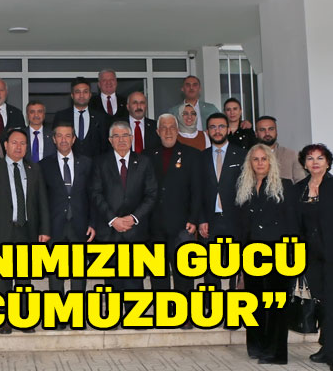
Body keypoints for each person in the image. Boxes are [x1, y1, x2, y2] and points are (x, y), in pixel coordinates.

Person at [0, 128, 50, 334]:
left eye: (22, 143)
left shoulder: (34, 169)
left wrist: (44, 229)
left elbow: (42, 202)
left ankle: (23, 318)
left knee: (24, 278)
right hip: (2, 231)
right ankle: (4, 320)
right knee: (2, 278)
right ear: (6, 145)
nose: (18, 147)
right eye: (14, 143)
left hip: (27, 231)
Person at [296, 144, 333, 371]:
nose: (315, 162)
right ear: (304, 163)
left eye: (320, 158)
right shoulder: (299, 189)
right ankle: (326, 347)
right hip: (311, 258)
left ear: (328, 162)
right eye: (310, 158)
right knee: (321, 303)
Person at [236, 143, 296, 364]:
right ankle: (257, 347)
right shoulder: (245, 188)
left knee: (276, 305)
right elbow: (242, 226)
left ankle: (277, 354)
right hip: (252, 253)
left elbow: (293, 223)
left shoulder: (285, 186)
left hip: (278, 252)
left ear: (271, 161)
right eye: (256, 159)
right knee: (255, 302)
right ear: (250, 163)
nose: (260, 163)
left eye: (264, 158)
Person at [91, 121, 157, 307]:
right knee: (112, 282)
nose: (121, 140)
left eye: (125, 136)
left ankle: (134, 316)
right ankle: (113, 318)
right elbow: (95, 193)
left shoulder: (144, 162)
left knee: (134, 282)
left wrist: (133, 218)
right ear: (110, 140)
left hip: (136, 232)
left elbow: (151, 194)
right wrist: (113, 220)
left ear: (132, 138)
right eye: (116, 136)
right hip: (109, 231)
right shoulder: (100, 162)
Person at [144, 114, 200, 329]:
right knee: (158, 273)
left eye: (172, 127)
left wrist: (194, 218)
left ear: (178, 130)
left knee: (183, 272)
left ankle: (184, 315)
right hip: (154, 224)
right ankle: (164, 313)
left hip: (182, 225)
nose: (168, 132)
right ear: (157, 131)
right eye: (164, 128)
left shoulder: (192, 155)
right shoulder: (147, 155)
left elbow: (197, 191)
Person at [39, 121, 95, 325]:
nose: (64, 140)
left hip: (80, 225)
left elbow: (93, 195)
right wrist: (43, 228)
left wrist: (93, 222)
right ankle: (58, 316)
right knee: (56, 274)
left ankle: (77, 314)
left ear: (74, 139)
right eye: (60, 136)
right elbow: (41, 199)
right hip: (55, 226)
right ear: (53, 139)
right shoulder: (44, 165)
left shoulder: (86, 163)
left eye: (68, 135)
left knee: (78, 273)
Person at [198, 113, 246, 291]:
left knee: (235, 268)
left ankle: (234, 304)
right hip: (210, 222)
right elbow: (197, 192)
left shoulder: (242, 155)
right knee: (211, 270)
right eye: (213, 127)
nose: (217, 131)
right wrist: (201, 219)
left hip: (235, 220)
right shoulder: (201, 157)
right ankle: (213, 304)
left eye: (221, 126)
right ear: (207, 131)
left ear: (228, 129)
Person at [52, 77, 109, 158]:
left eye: (85, 92)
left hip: (95, 164)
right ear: (72, 95)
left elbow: (105, 146)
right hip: (68, 163)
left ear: (90, 95)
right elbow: (55, 142)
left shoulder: (100, 117)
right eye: (78, 92)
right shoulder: (61, 116)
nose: (81, 95)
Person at [256, 116, 306, 183]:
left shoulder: (291, 155)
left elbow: (301, 182)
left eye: (271, 129)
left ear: (276, 132)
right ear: (256, 133)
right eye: (262, 130)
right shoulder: (250, 156)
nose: (267, 133)